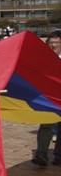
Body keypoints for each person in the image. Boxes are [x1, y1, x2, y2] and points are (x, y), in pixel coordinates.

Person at [31, 31, 61, 167]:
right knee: (46, 125)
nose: (54, 45)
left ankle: (59, 155)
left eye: (57, 43)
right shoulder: (43, 58)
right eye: (51, 43)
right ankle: (41, 155)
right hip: (47, 98)